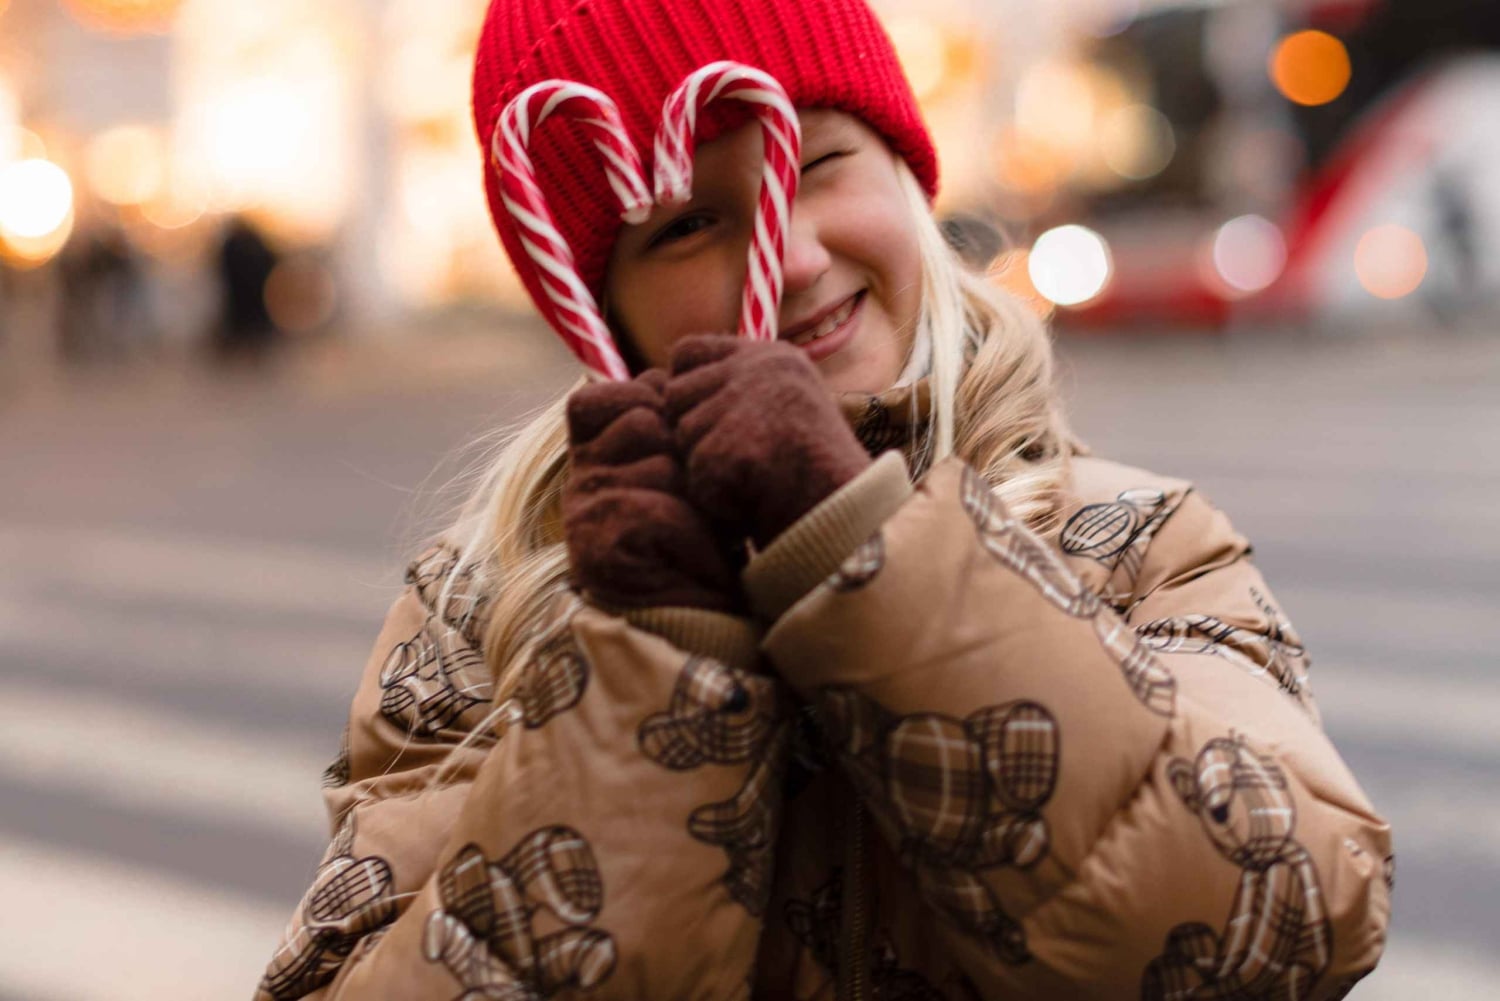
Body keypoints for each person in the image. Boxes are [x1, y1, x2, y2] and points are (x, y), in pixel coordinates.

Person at [256, 1, 1392, 998]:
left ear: (907, 172)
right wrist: (651, 661)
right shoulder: (485, 610)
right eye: (691, 223)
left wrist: (866, 549)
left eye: (817, 164)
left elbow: (1279, 927)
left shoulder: (1128, 543)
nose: (789, 255)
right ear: (598, 305)